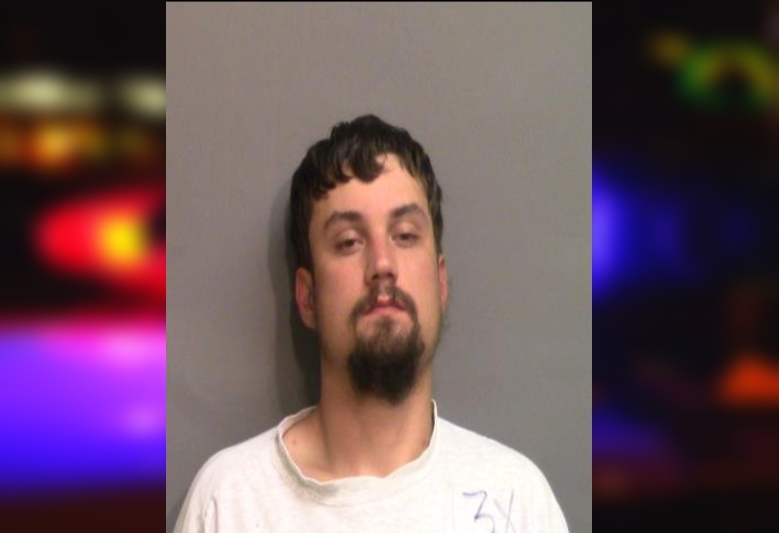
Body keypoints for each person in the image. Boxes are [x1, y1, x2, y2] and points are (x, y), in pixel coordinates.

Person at [173, 115, 569, 532]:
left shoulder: (518, 500)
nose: (382, 264)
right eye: (349, 242)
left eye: (405, 235)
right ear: (307, 297)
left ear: (440, 282)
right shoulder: (229, 503)